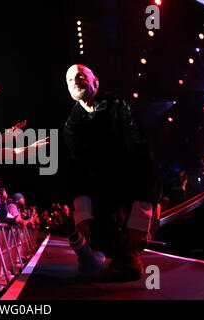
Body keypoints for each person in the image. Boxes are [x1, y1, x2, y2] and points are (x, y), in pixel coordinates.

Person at [63, 64, 155, 282]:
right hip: (101, 191)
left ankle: (128, 255)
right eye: (70, 80)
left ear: (96, 82)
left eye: (81, 75)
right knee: (89, 220)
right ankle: (103, 251)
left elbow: (141, 153)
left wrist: (142, 214)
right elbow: (78, 170)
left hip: (130, 184)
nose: (76, 80)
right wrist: (82, 216)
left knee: (130, 231)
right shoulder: (71, 125)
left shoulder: (119, 106)